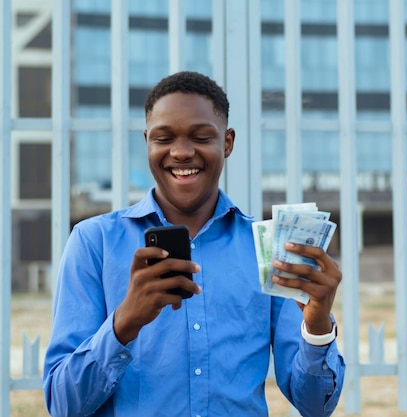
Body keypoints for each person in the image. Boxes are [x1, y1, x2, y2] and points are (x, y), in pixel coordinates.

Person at [43, 71, 345, 417]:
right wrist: (124, 323)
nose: (182, 152)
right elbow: (62, 405)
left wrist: (318, 327)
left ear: (227, 142)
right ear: (147, 142)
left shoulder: (267, 251)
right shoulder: (93, 242)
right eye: (163, 138)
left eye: (201, 137)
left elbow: (315, 407)